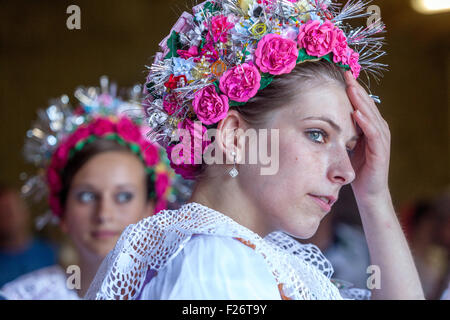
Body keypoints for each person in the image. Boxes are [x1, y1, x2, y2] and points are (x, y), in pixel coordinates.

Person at [86, 0, 424, 300]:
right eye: (317, 134)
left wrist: (375, 197)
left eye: (349, 147)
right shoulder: (217, 266)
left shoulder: (243, 258)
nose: (347, 172)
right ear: (233, 136)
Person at [0, 77, 178, 299]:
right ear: (62, 211)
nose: (104, 214)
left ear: (151, 209)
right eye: (86, 196)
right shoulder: (22, 295)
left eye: (124, 196)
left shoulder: (186, 291)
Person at [0, 185, 57, 287]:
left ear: (25, 211)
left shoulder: (53, 253)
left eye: (14, 207)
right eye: (3, 212)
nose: (10, 215)